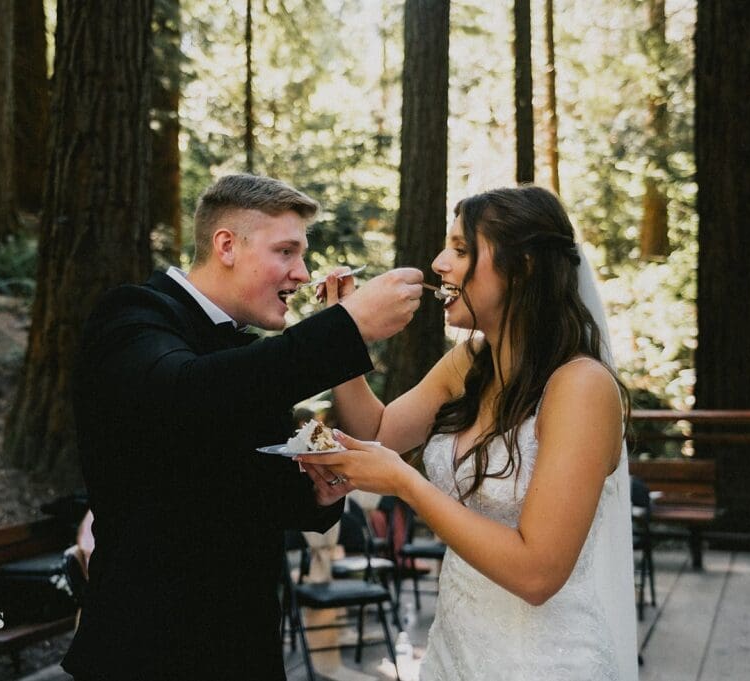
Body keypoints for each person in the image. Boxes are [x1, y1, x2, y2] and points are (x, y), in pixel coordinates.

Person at [60, 174, 427, 680]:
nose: (301, 274)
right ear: (226, 245)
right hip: (147, 651)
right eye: (286, 252)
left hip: (243, 648)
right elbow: (184, 395)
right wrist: (349, 325)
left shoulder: (244, 354)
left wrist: (317, 492)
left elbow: (242, 488)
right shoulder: (132, 315)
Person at [297, 186, 638, 680]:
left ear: (521, 268)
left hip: (542, 662)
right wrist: (344, 327)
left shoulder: (581, 388)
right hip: (456, 650)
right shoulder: (470, 361)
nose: (438, 262)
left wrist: (406, 484)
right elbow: (378, 431)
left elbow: (538, 573)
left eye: (460, 249)